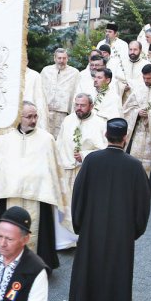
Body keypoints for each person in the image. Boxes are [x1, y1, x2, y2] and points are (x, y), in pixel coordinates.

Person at [68, 118, 151, 301]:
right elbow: (143, 204)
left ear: (106, 135)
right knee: (116, 268)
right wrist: (134, 231)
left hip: (91, 227)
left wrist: (79, 224)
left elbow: (78, 194)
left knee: (90, 264)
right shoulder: (134, 166)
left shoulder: (92, 160)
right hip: (121, 231)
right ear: (125, 137)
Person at [0, 102, 66, 271]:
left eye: (35, 116)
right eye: (28, 116)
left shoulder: (47, 139)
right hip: (10, 196)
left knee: (39, 233)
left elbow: (55, 168)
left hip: (39, 196)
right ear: (18, 117)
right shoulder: (4, 139)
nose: (33, 120)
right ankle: (6, 261)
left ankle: (39, 265)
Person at [54, 93, 107, 248]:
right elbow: (59, 142)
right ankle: (65, 241)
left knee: (83, 206)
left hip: (85, 172)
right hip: (66, 169)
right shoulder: (68, 120)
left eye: (82, 105)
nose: (78, 108)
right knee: (64, 205)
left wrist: (84, 155)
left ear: (91, 106)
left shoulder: (99, 123)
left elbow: (104, 150)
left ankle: (83, 237)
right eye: (76, 104)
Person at [40, 47, 79, 138]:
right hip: (47, 110)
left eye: (64, 58)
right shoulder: (46, 71)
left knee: (61, 136)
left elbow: (77, 92)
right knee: (45, 135)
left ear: (67, 59)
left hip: (63, 111)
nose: (61, 61)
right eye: (59, 58)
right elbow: (40, 89)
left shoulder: (74, 73)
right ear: (54, 58)